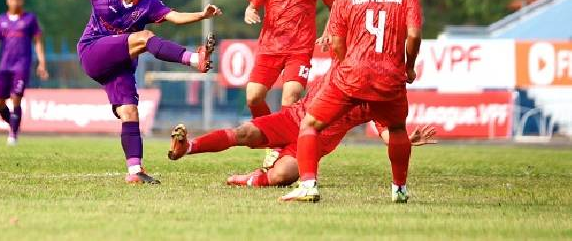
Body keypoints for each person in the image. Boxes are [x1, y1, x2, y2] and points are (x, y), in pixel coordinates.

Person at [281, 0, 423, 203]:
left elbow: (336, 42)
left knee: (310, 124)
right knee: (396, 130)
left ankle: (308, 185)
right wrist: (409, 67)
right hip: (390, 78)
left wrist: (345, 64)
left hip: (351, 77)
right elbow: (414, 36)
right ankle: (399, 189)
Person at [63, 0, 222, 184]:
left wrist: (201, 15)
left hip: (121, 64)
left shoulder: (148, 3)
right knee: (144, 37)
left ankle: (135, 170)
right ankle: (193, 59)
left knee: (130, 112)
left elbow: (174, 16)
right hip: (92, 51)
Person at [167, 70, 435, 188]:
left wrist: (405, 139)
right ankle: (187, 147)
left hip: (315, 140)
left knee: (281, 176)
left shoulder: (378, 97)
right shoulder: (345, 66)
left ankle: (246, 179)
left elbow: (387, 132)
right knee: (244, 132)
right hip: (293, 118)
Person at [244, 0, 337, 167]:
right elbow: (252, 4)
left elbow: (337, 7)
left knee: (291, 96)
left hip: (300, 49)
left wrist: (329, 31)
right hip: (269, 48)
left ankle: (284, 148)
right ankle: (271, 140)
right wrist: (251, 11)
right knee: (253, 96)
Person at [0, 0, 48, 146]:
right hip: (4, 66)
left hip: (21, 66)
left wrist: (42, 63)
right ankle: (14, 124)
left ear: (22, 1)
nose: (15, 1)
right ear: (7, 1)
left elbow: (37, 42)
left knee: (16, 98)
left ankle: (13, 135)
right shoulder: (1, 20)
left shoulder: (30, 19)